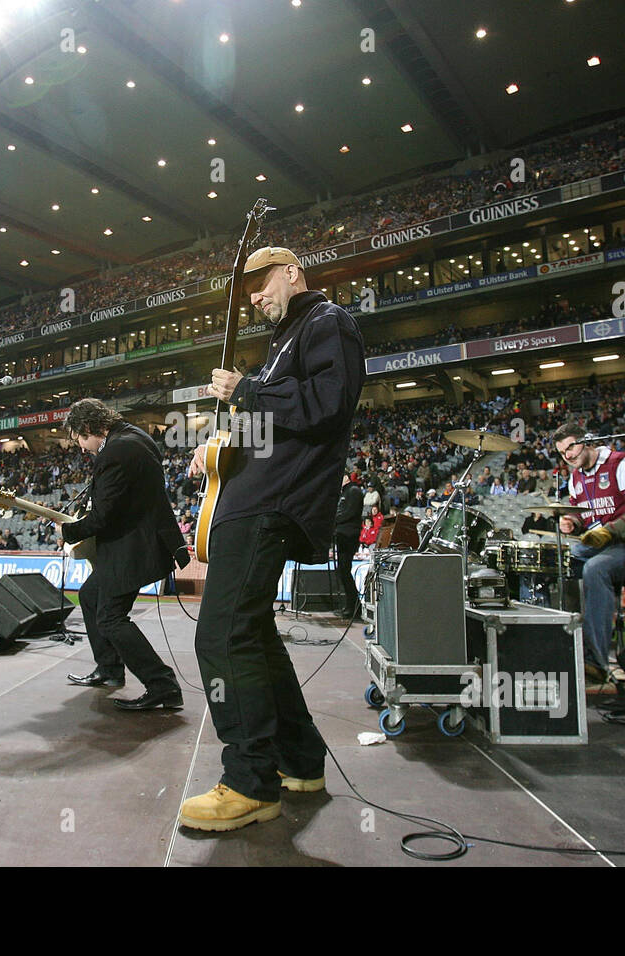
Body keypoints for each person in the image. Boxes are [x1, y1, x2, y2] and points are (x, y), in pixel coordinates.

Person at [182, 245, 363, 831]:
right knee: (253, 636)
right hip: (255, 497)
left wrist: (246, 391)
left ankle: (249, 782)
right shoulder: (281, 340)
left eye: (262, 283)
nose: (255, 297)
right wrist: (213, 444)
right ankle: (301, 759)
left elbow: (330, 405)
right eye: (249, 290)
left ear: (292, 272)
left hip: (271, 504)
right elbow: (271, 423)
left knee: (222, 636)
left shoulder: (326, 320)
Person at [59, 398, 189, 710]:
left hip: (134, 550)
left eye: (79, 439)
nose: (81, 447)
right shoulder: (133, 435)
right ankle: (109, 670)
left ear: (89, 427)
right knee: (91, 596)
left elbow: (103, 517)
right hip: (138, 543)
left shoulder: (116, 451)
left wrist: (68, 531)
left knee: (111, 618)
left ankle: (163, 685)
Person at [552, 422, 625, 680]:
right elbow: (585, 518)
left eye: (571, 447)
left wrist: (610, 531)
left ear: (586, 441)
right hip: (603, 545)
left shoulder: (623, 464)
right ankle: (562, 642)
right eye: (563, 452)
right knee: (557, 561)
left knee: (595, 569)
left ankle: (594, 660)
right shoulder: (575, 478)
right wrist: (572, 522)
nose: (569, 456)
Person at [334, 473, 364, 618]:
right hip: (342, 534)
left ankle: (353, 606)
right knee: (343, 570)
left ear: (345, 477)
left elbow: (350, 513)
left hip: (349, 534)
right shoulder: (345, 492)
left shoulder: (353, 491)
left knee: (345, 570)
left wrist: (334, 520)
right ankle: (352, 604)